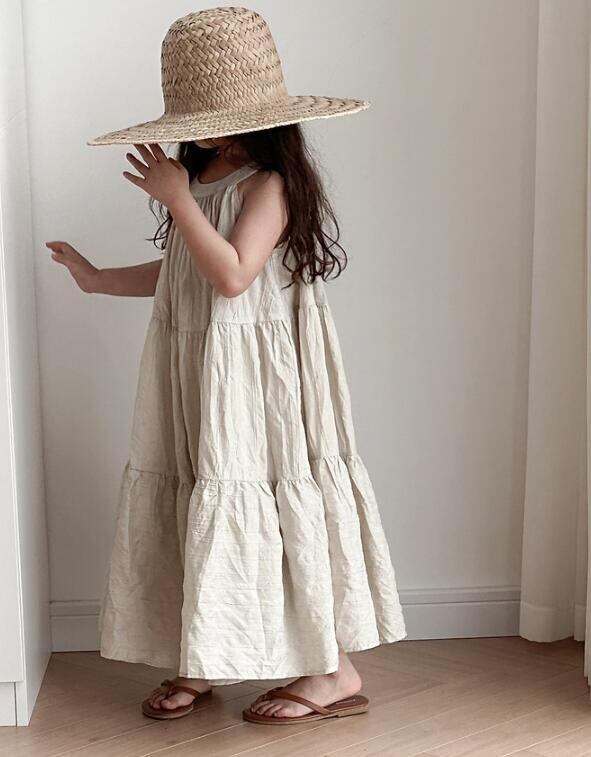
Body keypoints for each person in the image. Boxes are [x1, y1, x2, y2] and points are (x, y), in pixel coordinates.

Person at [46, 6, 406, 725]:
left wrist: (178, 200)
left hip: (256, 378)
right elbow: (187, 272)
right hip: (200, 368)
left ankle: (333, 670)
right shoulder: (203, 172)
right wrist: (97, 278)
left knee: (267, 492)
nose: (204, 131)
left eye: (219, 117)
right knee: (203, 489)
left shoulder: (268, 183)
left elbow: (234, 274)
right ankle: (208, 653)